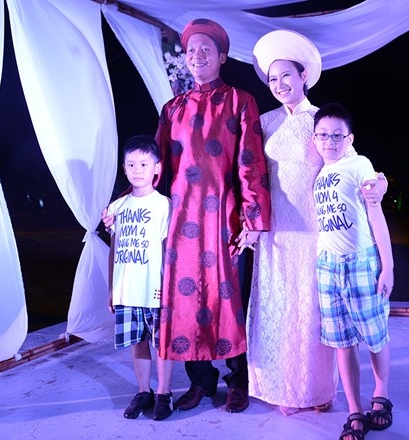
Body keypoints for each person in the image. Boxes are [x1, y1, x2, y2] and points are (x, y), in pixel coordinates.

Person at [247, 30, 387, 416]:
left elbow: (354, 163)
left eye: (286, 76)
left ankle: (319, 390)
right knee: (281, 312)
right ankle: (287, 391)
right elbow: (251, 176)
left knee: (314, 316)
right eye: (273, 79)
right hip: (277, 232)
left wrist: (381, 183)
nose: (279, 85)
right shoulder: (265, 122)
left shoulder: (320, 120)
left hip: (316, 233)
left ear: (303, 75)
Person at [155, 18, 271, 414]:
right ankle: (200, 381)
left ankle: (239, 380)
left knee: (230, 299)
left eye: (206, 49)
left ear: (222, 56)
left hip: (226, 220)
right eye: (191, 51)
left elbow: (250, 163)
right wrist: (130, 205)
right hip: (181, 222)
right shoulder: (172, 109)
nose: (197, 56)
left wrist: (252, 221)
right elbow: (157, 169)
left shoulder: (240, 101)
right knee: (186, 300)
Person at [312, 103, 394, 440]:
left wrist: (388, 266)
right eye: (322, 135)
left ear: (349, 139)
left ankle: (381, 393)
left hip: (360, 262)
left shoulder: (359, 164)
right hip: (327, 266)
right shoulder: (320, 173)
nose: (329, 141)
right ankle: (354, 410)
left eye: (337, 135)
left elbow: (375, 214)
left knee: (374, 336)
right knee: (343, 343)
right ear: (314, 139)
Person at [106, 135, 174, 421]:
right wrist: (112, 288)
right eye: (131, 164)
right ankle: (144, 391)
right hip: (127, 289)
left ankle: (164, 393)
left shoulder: (164, 205)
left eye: (144, 164)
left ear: (156, 168)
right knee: (138, 342)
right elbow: (114, 249)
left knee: (162, 343)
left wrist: (170, 289)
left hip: (155, 289)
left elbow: (168, 250)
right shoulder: (116, 207)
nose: (137, 170)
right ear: (124, 168)